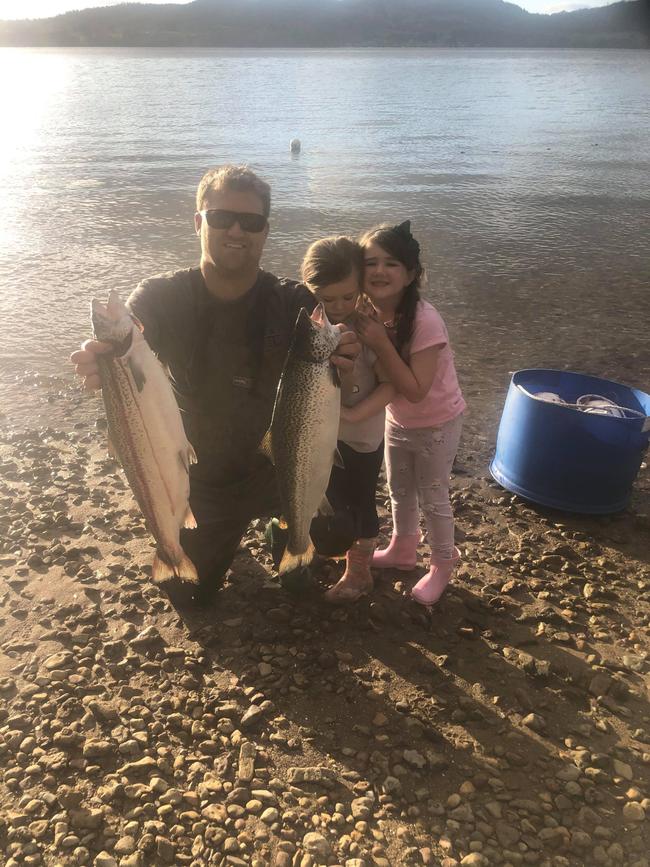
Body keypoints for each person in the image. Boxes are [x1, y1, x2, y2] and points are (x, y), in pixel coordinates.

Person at [71, 164, 359, 606]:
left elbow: (329, 374)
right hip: (203, 475)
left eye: (252, 221)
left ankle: (281, 526)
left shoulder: (294, 302)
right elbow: (132, 338)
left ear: (266, 230)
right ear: (198, 222)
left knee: (336, 531)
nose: (237, 230)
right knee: (187, 596)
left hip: (280, 465)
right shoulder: (161, 296)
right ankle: (225, 534)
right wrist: (106, 367)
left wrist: (346, 357)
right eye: (222, 217)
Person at [355, 220, 466, 606]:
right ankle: (403, 548)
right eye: (370, 263)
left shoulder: (425, 321)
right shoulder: (366, 311)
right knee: (398, 489)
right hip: (397, 419)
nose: (380, 271)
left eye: (391, 264)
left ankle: (442, 564)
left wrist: (382, 345)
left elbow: (417, 391)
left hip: (436, 421)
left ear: (411, 274)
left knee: (434, 496)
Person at [299, 236, 395, 603]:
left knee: (360, 502)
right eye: (327, 298)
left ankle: (359, 572)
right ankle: (312, 544)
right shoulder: (309, 330)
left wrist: (354, 412)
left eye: (348, 296)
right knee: (321, 493)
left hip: (361, 437)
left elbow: (389, 386)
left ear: (361, 289)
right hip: (320, 435)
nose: (338, 307)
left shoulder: (371, 330)